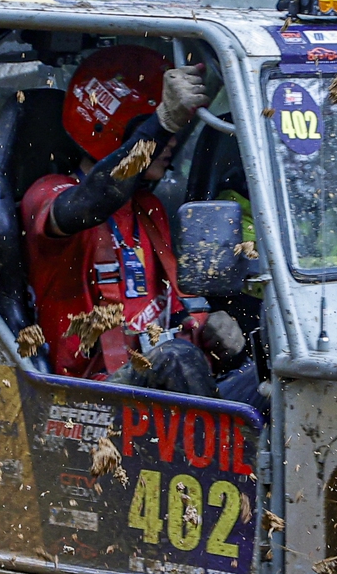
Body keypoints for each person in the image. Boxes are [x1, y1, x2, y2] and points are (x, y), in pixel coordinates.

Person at [20, 46, 245, 391]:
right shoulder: (49, 195)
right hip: (91, 393)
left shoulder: (149, 209)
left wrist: (209, 326)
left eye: (167, 131)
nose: (169, 142)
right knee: (176, 360)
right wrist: (164, 120)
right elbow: (92, 202)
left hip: (157, 377)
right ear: (111, 128)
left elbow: (171, 307)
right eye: (152, 128)